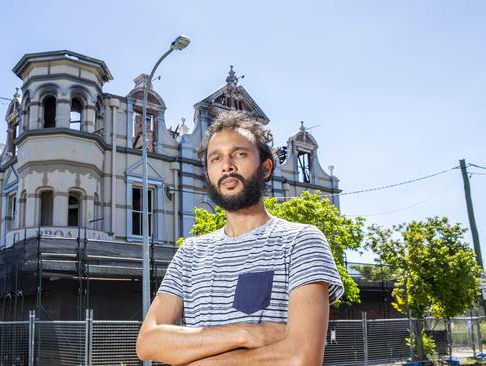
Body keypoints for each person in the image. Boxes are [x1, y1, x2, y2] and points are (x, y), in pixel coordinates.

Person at [136, 111, 343, 365]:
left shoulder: (301, 241)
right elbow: (148, 343)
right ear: (208, 174)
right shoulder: (190, 252)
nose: (227, 165)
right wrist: (247, 333)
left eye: (239, 154)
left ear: (266, 168)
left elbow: (302, 357)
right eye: (216, 158)